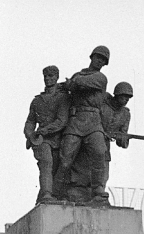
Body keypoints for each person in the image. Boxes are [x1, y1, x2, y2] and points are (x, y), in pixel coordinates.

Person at [53, 46, 110, 202]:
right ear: (91, 57)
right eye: (98, 58)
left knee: (99, 151)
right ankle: (56, 192)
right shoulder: (78, 74)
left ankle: (98, 190)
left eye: (103, 60)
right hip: (76, 119)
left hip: (93, 121)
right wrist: (70, 84)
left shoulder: (100, 78)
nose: (100, 61)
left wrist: (73, 83)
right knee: (65, 159)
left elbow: (84, 83)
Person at [24, 65, 70, 203]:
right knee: (46, 163)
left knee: (58, 168)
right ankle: (47, 195)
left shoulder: (62, 98)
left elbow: (62, 121)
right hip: (41, 140)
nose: (48, 79)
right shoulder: (37, 101)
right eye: (46, 76)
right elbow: (30, 121)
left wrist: (45, 130)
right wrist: (30, 135)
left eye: (51, 76)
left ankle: (47, 196)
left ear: (57, 77)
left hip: (57, 138)